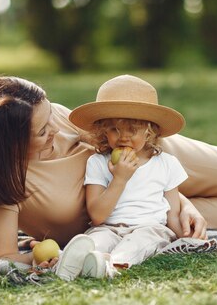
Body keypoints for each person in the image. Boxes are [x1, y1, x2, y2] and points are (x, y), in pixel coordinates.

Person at [0, 75, 217, 275]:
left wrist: (183, 200)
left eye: (51, 119)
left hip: (157, 159)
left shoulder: (55, 118)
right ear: (8, 145)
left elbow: (112, 134)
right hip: (146, 215)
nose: (59, 133)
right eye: (43, 132)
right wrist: (53, 256)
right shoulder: (1, 187)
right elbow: (2, 257)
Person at [58, 75, 190, 279]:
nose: (123, 136)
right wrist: (119, 178)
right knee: (95, 241)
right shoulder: (98, 162)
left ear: (149, 131)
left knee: (138, 243)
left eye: (132, 129)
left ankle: (112, 266)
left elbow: (173, 213)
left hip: (150, 228)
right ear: (103, 131)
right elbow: (98, 216)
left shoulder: (166, 164)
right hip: (108, 228)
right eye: (114, 129)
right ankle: (81, 261)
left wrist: (187, 238)